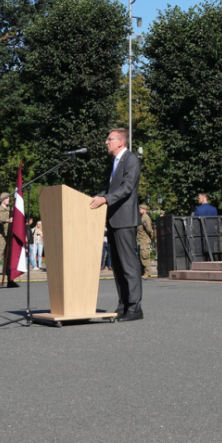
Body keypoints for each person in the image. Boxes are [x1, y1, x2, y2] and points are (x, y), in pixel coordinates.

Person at [91, 128, 143, 322]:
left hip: (125, 220)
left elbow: (127, 188)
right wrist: (96, 197)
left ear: (121, 142)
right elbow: (111, 189)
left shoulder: (131, 160)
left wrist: (105, 199)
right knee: (118, 266)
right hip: (113, 219)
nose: (106, 142)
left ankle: (135, 307)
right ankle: (123, 305)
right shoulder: (115, 162)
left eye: (109, 139)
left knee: (128, 265)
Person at [137, 204, 156, 278]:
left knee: (144, 256)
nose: (139, 210)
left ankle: (147, 273)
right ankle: (143, 272)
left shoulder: (145, 217)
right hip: (141, 240)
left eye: (140, 209)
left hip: (144, 240)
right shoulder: (141, 217)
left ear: (144, 210)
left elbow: (149, 229)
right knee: (141, 256)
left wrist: (151, 234)